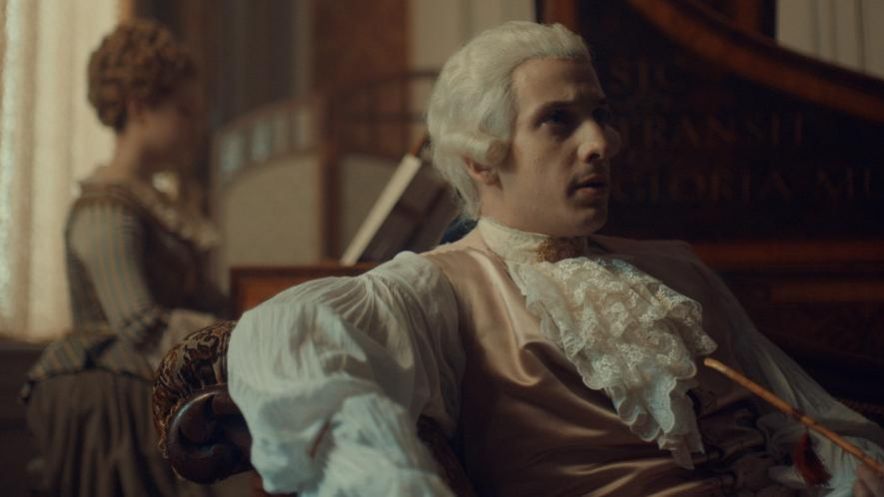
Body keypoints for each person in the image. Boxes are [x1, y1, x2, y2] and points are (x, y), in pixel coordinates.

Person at [226, 21, 884, 497]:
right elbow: (290, 339)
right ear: (482, 158)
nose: (601, 142)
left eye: (599, 114)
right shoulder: (440, 287)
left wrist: (847, 471)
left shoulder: (676, 269)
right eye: (559, 121)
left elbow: (806, 418)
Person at [23, 20, 230, 497]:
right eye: (184, 112)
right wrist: (235, 339)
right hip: (114, 399)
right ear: (139, 108)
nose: (196, 127)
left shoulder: (158, 206)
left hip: (155, 378)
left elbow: (204, 301)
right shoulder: (107, 209)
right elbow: (140, 324)